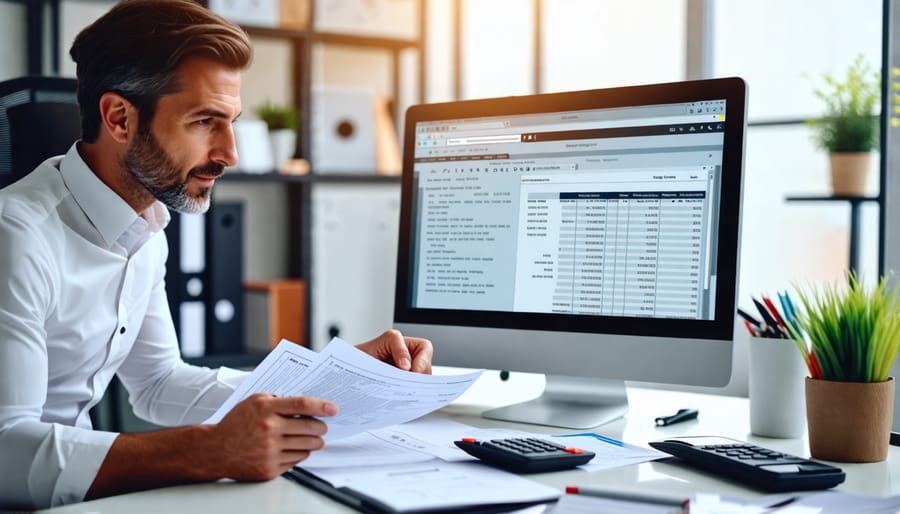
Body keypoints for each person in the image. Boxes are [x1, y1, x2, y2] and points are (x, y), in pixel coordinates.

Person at [0, 0, 432, 509]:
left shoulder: (144, 227)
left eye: (231, 122)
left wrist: (330, 377)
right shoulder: (16, 237)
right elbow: (5, 453)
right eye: (205, 121)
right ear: (118, 117)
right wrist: (209, 451)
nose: (230, 153)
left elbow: (158, 383)